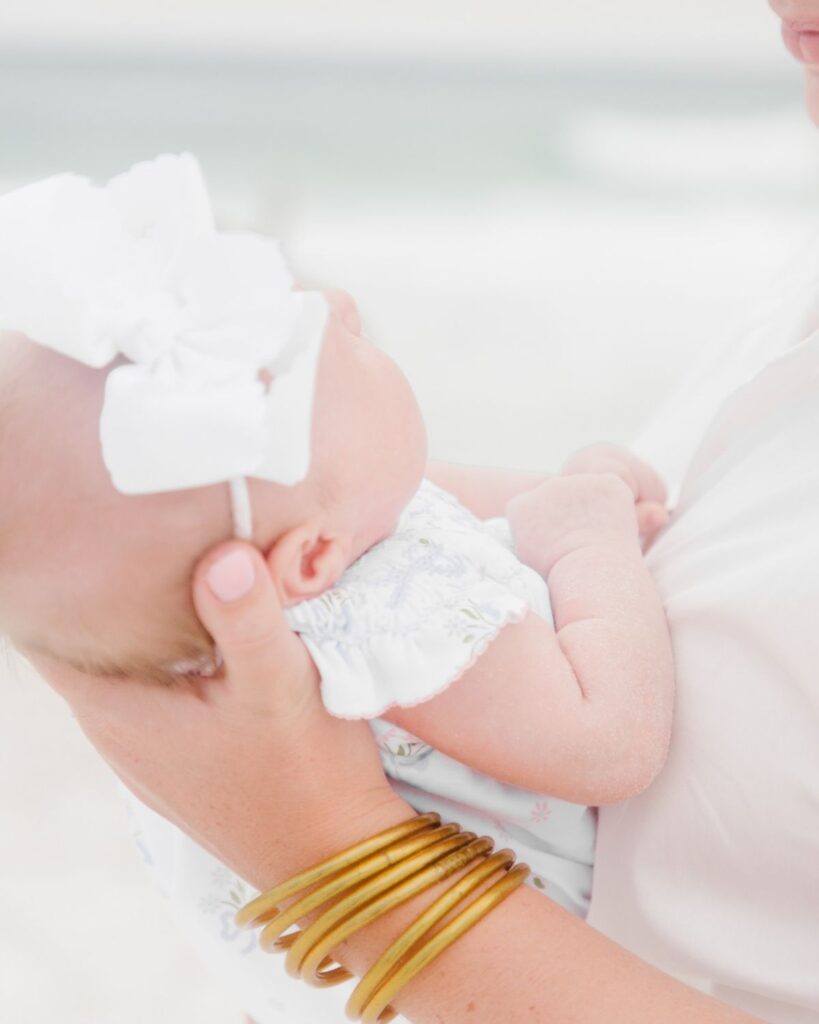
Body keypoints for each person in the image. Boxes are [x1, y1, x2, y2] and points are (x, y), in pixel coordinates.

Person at [26, 2, 819, 1021]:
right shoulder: (382, 610)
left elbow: (499, 516)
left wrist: (331, 848)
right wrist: (586, 539)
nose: (349, 310)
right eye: (334, 356)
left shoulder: (323, 540)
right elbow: (605, 738)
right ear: (314, 556)